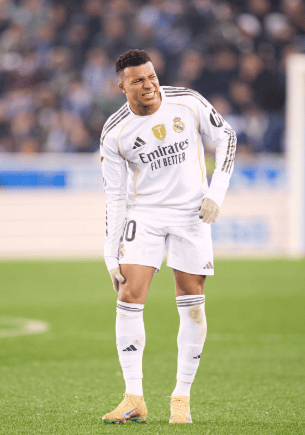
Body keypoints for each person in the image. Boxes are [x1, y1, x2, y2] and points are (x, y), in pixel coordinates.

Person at [100, 49, 236, 424]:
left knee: (192, 302)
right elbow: (114, 195)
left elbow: (227, 136)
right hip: (144, 214)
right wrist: (110, 254)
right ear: (122, 86)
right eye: (138, 80)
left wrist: (216, 193)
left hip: (191, 214)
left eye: (152, 77)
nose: (149, 85)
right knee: (129, 294)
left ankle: (182, 398)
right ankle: (133, 398)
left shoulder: (187, 101)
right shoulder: (115, 132)